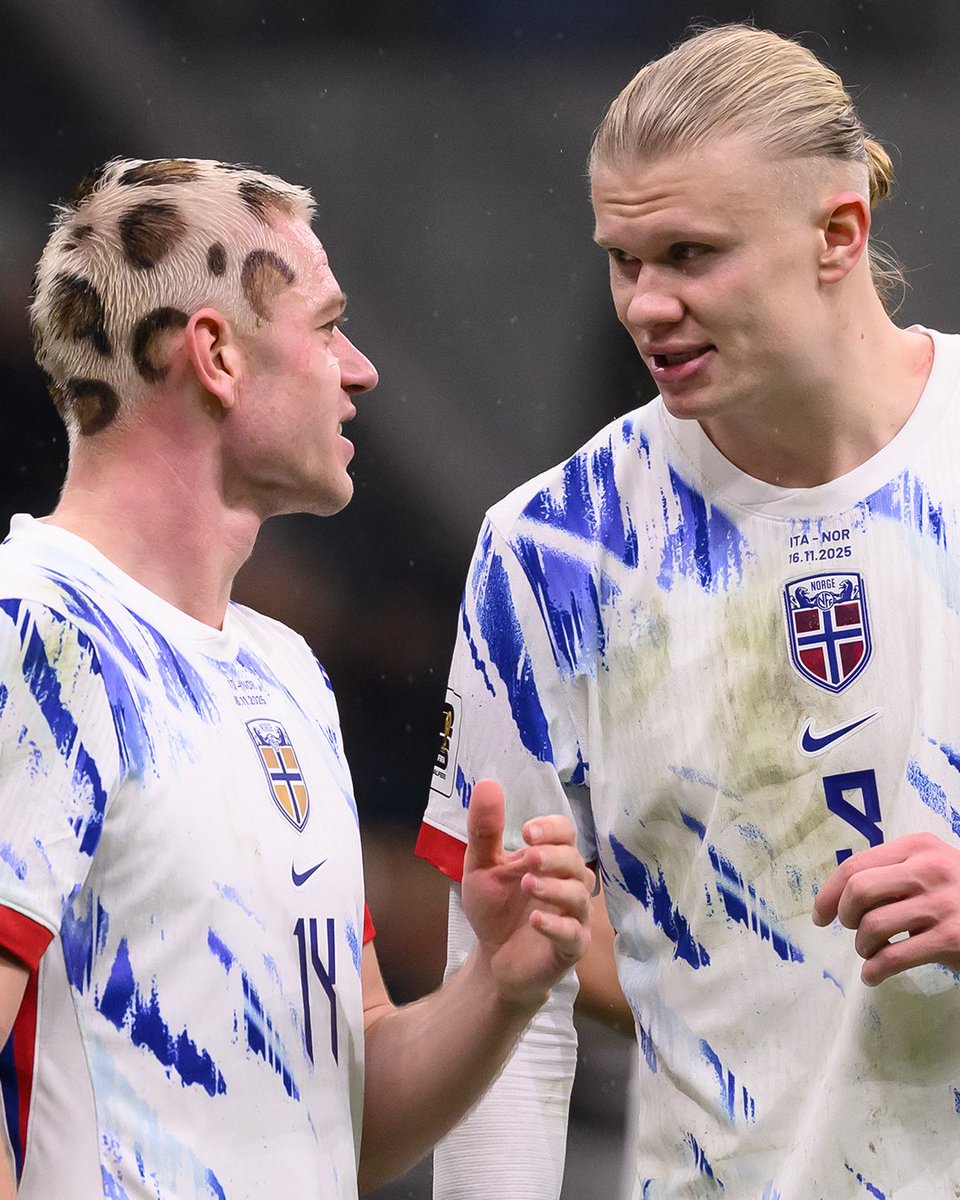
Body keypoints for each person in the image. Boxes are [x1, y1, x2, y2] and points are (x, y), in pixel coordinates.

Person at [417, 22, 960, 1199]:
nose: (646, 305)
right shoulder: (552, 555)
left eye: (691, 254)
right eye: (624, 258)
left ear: (839, 234)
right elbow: (515, 988)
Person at [0, 156, 595, 1200]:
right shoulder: (37, 631)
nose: (360, 369)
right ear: (218, 355)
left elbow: (348, 1128)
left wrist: (495, 989)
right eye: (327, 328)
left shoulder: (284, 673)